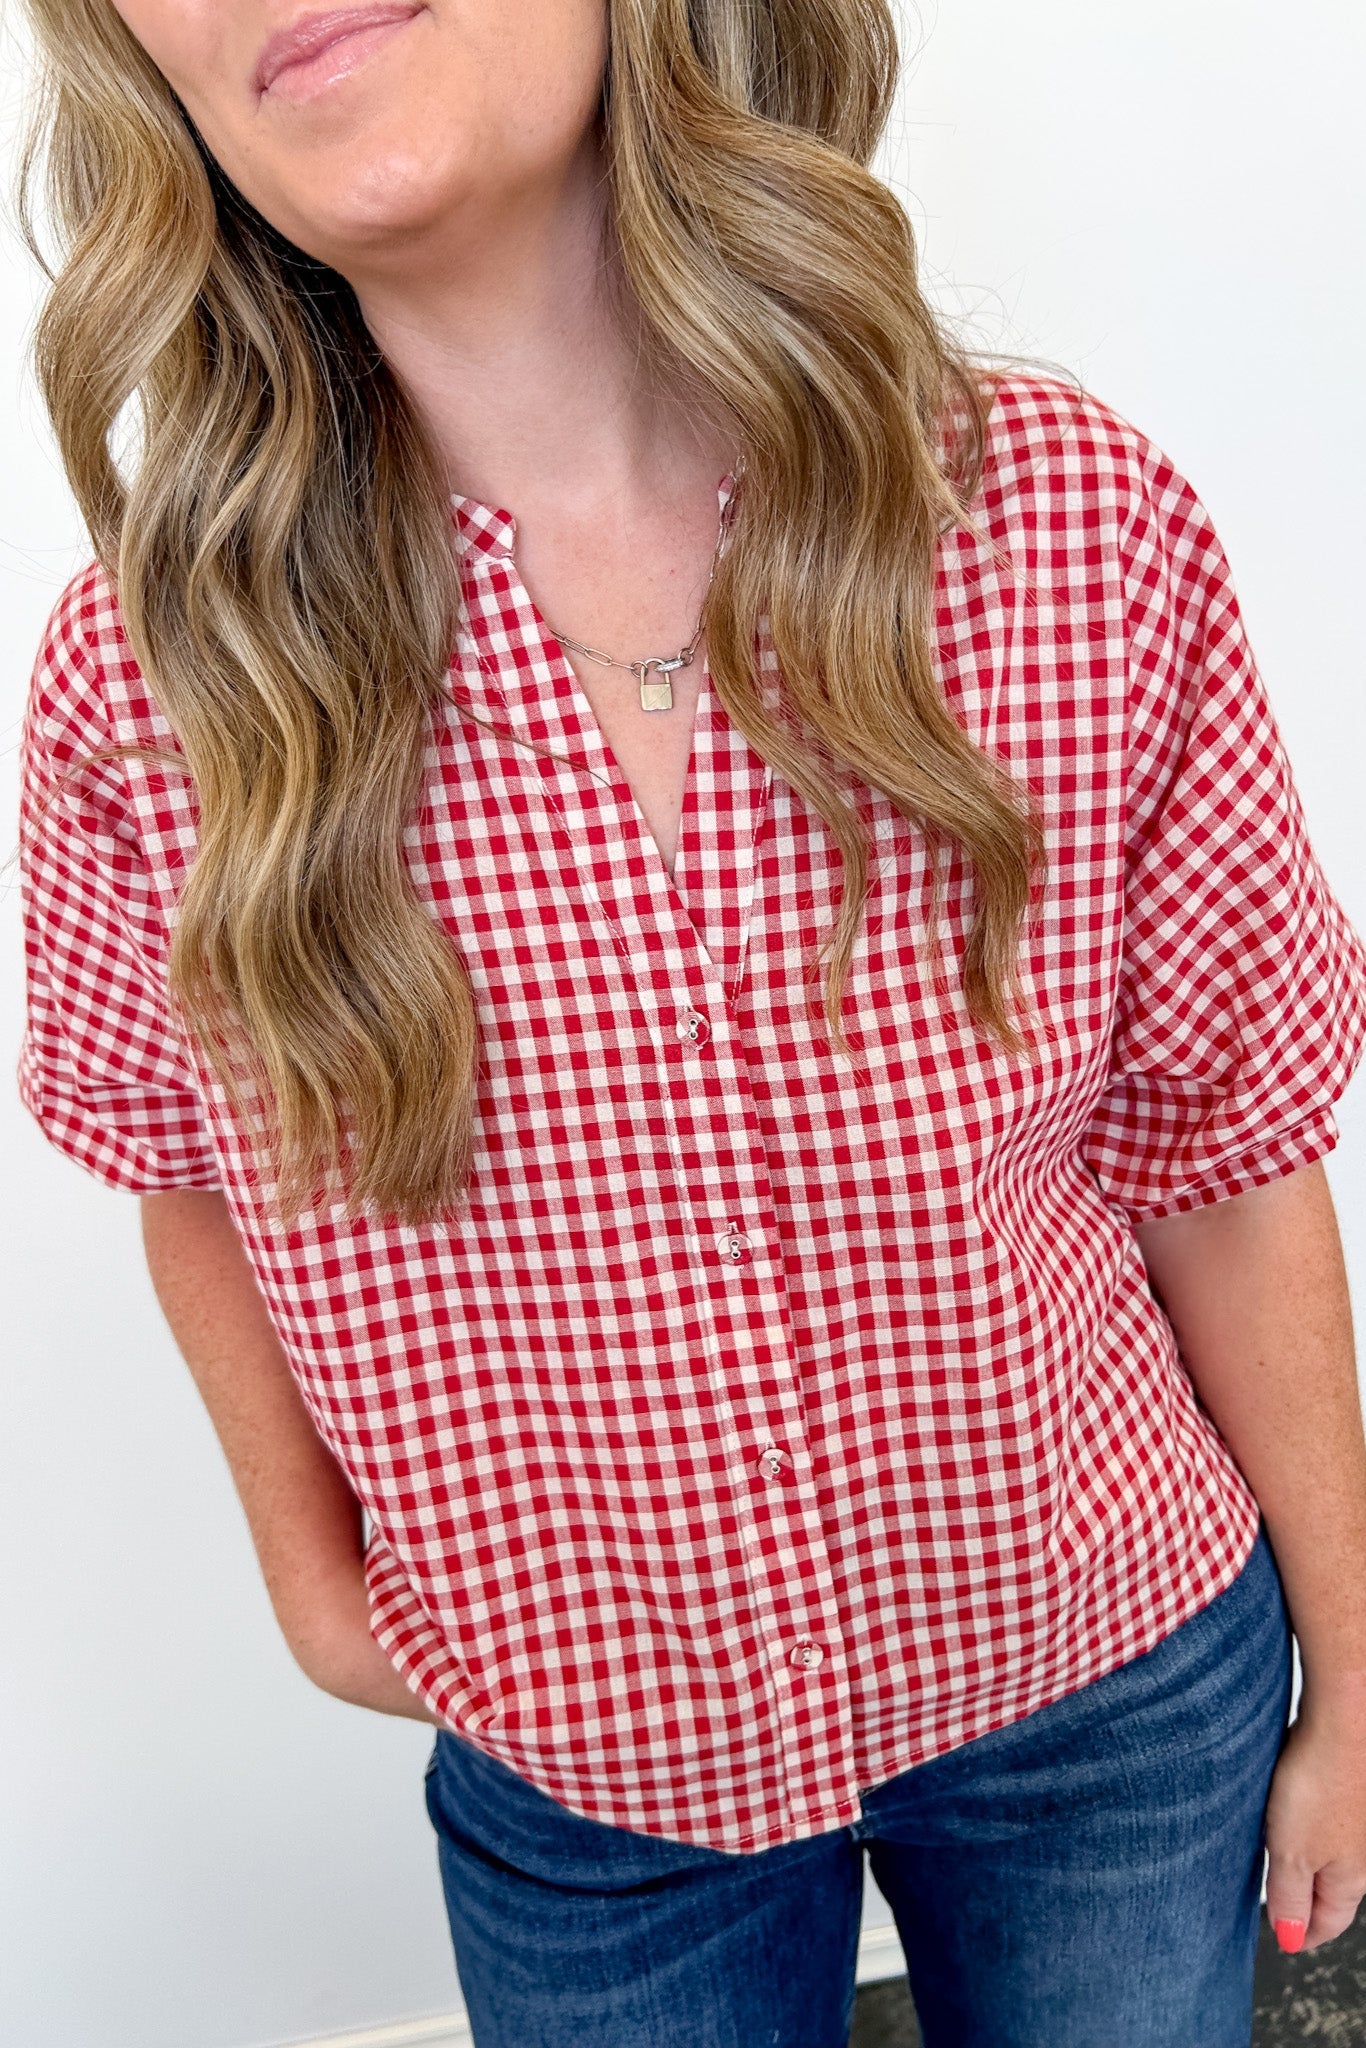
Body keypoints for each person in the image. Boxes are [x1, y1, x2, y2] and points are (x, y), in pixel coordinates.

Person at [13, 1, 1366, 2043]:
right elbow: (184, 1162)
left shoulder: (1065, 531)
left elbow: (1223, 1153)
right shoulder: (146, 697)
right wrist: (315, 1590)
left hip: (1105, 1675)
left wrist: (1349, 1674)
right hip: (585, 1778)